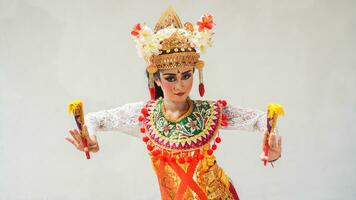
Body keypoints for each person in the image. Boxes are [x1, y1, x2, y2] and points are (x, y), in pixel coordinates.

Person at [65, 7, 282, 200]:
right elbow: (94, 119)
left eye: (187, 75)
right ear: (156, 79)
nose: (180, 85)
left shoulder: (210, 112)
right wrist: (89, 137)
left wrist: (270, 147)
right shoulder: (144, 116)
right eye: (170, 78)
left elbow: (261, 119)